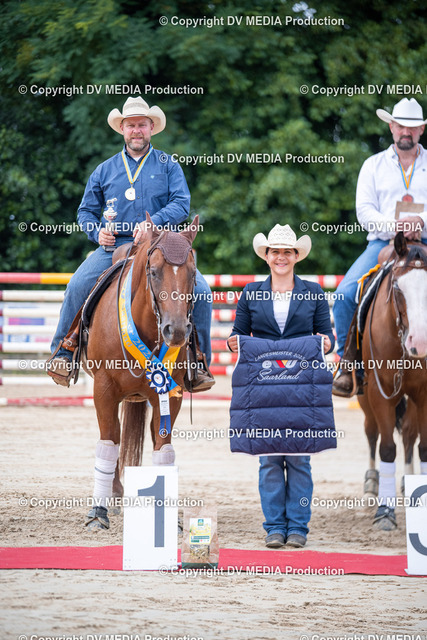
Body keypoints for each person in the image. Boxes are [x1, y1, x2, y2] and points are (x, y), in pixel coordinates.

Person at [48, 97, 213, 389]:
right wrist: (96, 232)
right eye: (131, 125)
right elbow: (85, 212)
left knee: (202, 291)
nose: (137, 130)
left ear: (151, 128)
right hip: (114, 246)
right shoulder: (104, 169)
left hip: (161, 246)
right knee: (76, 285)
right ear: (122, 129)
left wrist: (154, 223)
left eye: (142, 125)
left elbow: (181, 205)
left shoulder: (169, 165)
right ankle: (64, 352)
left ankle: (197, 362)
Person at [227, 224, 335, 549]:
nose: (281, 257)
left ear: (296, 256)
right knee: (269, 458)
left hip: (302, 388)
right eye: (276, 251)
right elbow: (238, 333)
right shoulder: (251, 293)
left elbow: (326, 336)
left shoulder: (314, 292)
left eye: (287, 251)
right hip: (265, 389)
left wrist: (326, 344)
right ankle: (274, 527)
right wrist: (234, 342)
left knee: (300, 458)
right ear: (267, 256)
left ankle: (298, 528)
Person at [333, 98, 427, 396]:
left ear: (422, 129)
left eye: (412, 127)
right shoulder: (372, 165)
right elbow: (364, 212)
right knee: (345, 295)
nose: (406, 132)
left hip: (425, 241)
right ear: (391, 127)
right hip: (383, 243)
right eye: (400, 126)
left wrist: (420, 220)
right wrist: (398, 226)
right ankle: (348, 364)